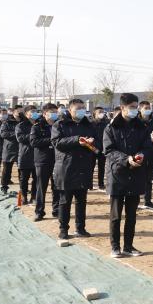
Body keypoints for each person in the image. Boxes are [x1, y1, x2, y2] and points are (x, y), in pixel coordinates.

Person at [103, 93, 152, 258]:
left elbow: (147, 147)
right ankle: (115, 247)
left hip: (136, 173)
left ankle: (128, 246)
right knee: (116, 215)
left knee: (132, 215)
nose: (135, 110)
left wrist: (141, 156)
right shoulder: (111, 128)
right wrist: (126, 159)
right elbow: (109, 151)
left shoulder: (141, 127)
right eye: (131, 107)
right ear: (122, 108)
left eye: (136, 107)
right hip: (117, 175)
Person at [52, 99, 98, 240]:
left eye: (83, 108)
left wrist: (91, 143)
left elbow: (96, 142)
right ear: (70, 110)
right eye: (78, 108)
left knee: (81, 200)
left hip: (84, 166)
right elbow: (57, 142)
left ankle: (80, 228)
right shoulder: (60, 124)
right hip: (66, 167)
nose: (81, 110)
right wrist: (77, 140)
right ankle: (63, 229)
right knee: (65, 201)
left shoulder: (88, 125)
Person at [30, 104, 60, 221]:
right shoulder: (37, 127)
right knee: (41, 187)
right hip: (42, 160)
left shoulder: (60, 125)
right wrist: (51, 140)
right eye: (52, 112)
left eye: (55, 112)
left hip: (57, 160)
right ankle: (39, 211)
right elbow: (33, 142)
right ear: (44, 114)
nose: (54, 114)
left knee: (56, 187)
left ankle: (56, 210)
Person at [15, 105, 39, 205]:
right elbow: (20, 138)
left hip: (38, 155)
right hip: (25, 155)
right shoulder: (20, 126)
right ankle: (23, 196)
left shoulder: (39, 124)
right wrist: (33, 135)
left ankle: (33, 196)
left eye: (36, 111)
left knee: (36, 178)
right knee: (24, 178)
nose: (34, 113)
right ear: (26, 114)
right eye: (32, 111)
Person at [0, 105, 23, 195]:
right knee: (7, 169)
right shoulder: (7, 122)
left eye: (22, 111)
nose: (20, 113)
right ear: (13, 112)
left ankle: (23, 188)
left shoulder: (25, 122)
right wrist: (17, 134)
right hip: (9, 149)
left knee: (22, 170)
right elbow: (4, 134)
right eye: (18, 111)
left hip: (22, 149)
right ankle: (4, 186)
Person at [91, 106, 110, 191]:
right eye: (99, 112)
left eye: (103, 112)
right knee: (91, 167)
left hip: (103, 148)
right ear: (94, 114)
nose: (102, 113)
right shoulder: (90, 124)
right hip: (92, 148)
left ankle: (101, 183)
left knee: (102, 167)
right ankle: (90, 184)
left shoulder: (106, 123)